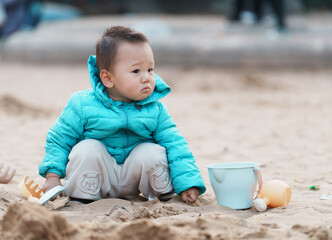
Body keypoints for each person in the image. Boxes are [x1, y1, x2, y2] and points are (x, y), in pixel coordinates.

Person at [38, 26, 206, 204]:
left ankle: (164, 193)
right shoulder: (82, 104)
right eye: (136, 71)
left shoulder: (155, 110)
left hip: (134, 179)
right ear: (108, 78)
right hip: (96, 178)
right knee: (87, 149)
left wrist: (188, 183)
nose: (146, 78)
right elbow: (59, 139)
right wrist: (52, 176)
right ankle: (83, 196)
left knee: (153, 152)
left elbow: (176, 145)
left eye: (150, 69)